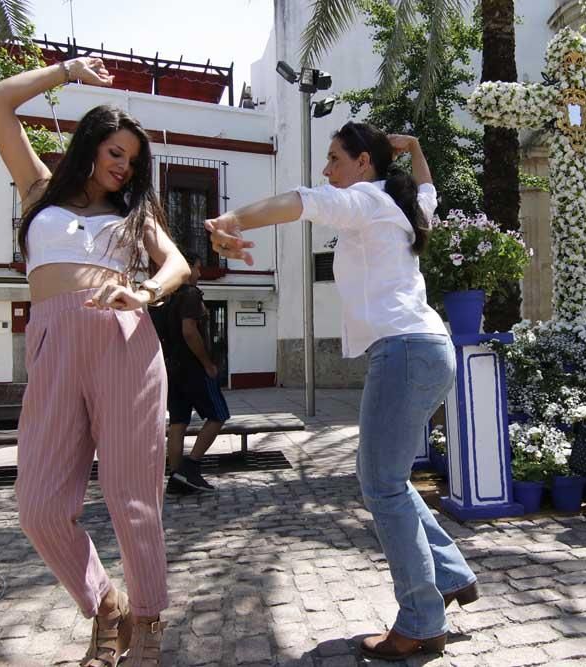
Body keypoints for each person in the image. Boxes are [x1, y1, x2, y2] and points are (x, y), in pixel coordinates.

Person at [205, 122, 476, 661]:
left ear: (363, 164)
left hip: (403, 350)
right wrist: (417, 147)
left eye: (334, 158)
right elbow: (428, 188)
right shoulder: (400, 206)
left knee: (381, 485)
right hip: (424, 348)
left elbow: (299, 201)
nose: (327, 169)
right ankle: (450, 574)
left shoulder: (365, 200)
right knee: (387, 481)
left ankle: (423, 621)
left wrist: (232, 218)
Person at [0, 56, 190, 667]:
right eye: (115, 151)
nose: (123, 164)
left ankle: (146, 622)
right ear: (91, 145)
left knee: (134, 497)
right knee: (40, 506)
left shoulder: (135, 214)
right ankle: (107, 605)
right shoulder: (39, 189)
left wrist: (147, 293)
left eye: (132, 158)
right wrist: (67, 72)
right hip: (52, 346)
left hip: (123, 342)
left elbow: (176, 264)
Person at [160, 250, 230, 493]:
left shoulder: (164, 297)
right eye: (197, 268)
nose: (200, 273)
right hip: (193, 369)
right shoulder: (189, 295)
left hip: (171, 369)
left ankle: (177, 478)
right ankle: (190, 467)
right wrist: (207, 364)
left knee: (178, 422)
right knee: (218, 415)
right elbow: (189, 331)